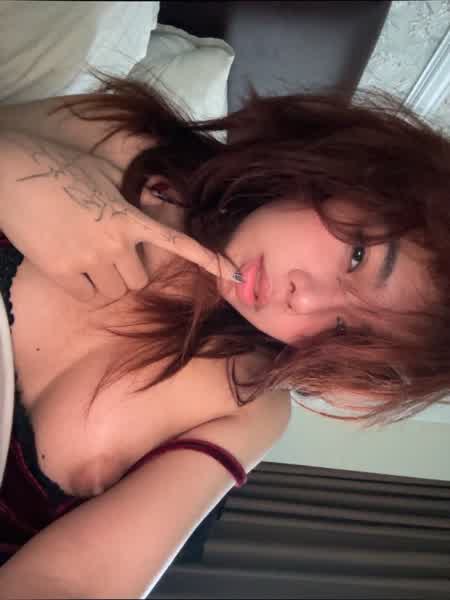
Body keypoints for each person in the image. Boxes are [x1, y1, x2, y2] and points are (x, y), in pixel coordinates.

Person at [0, 70, 448, 597]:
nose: (304, 300)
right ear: (352, 176)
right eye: (357, 257)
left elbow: (73, 584)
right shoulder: (123, 143)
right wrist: (10, 173)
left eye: (344, 330)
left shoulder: (249, 405)